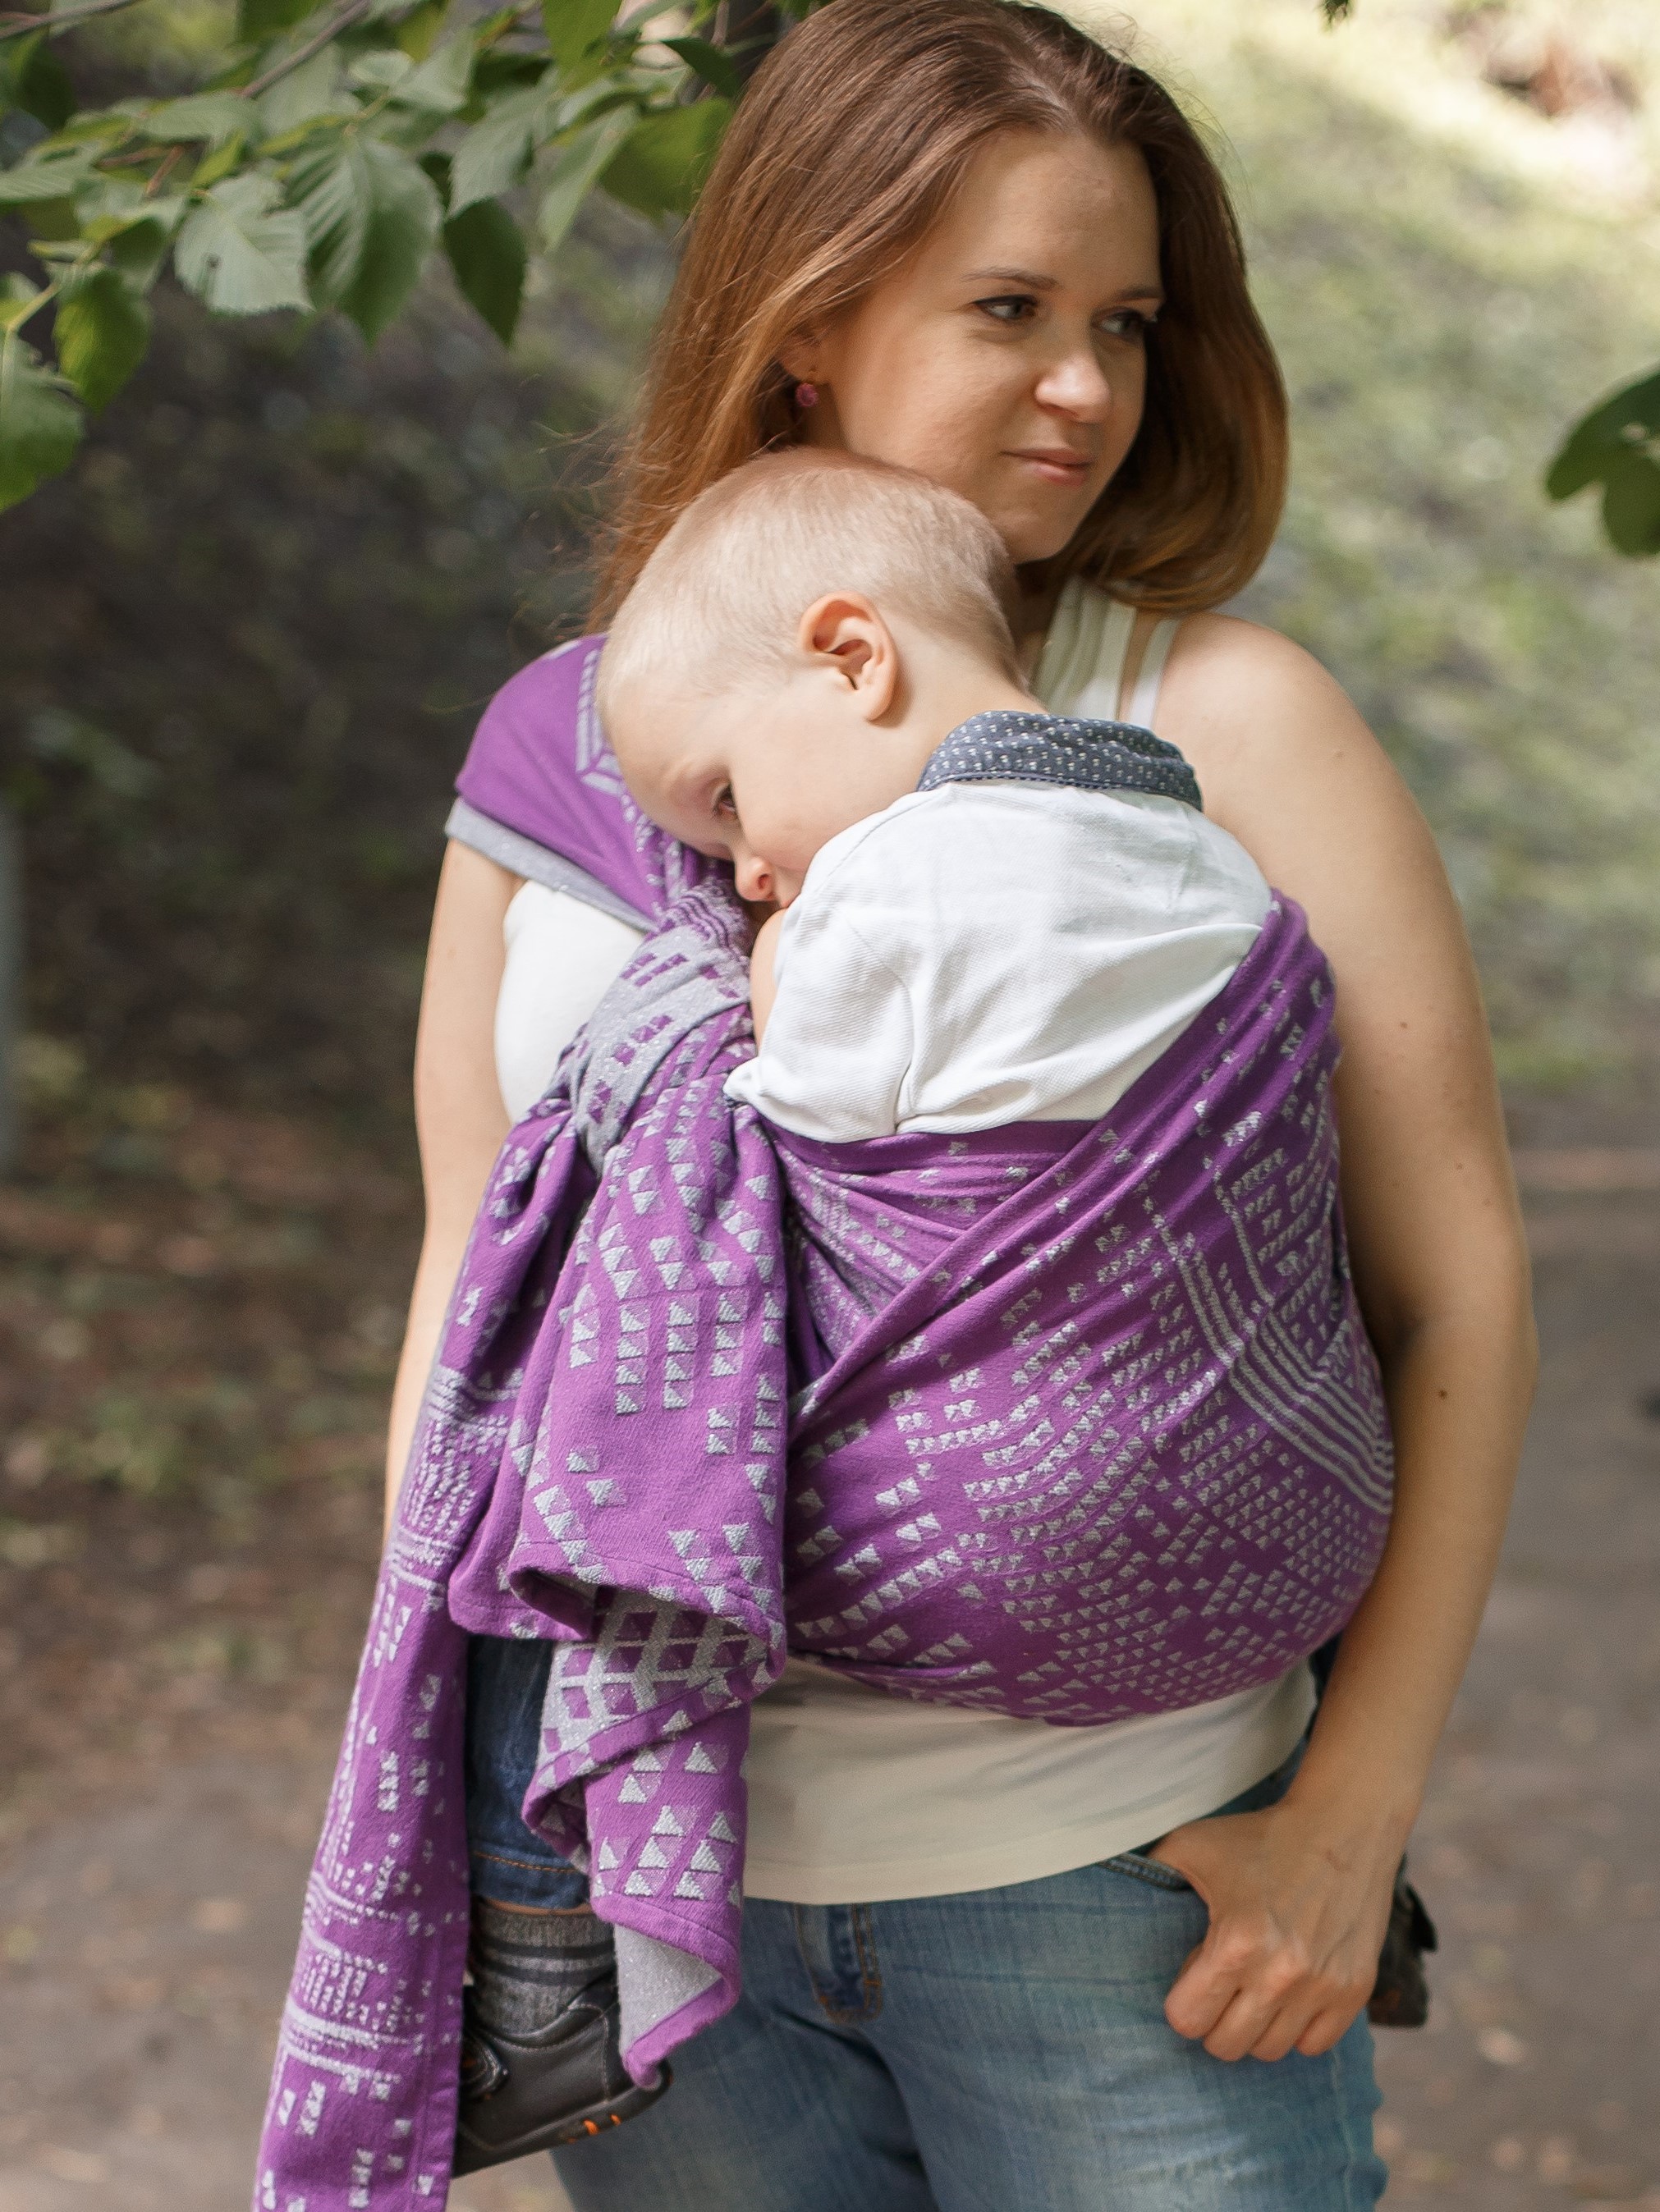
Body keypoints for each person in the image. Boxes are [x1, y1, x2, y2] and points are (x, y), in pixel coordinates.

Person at [387, 3, 1536, 2205]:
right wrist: (443, 1823)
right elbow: (468, 1303)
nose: (1091, 385)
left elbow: (1461, 1293)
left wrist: (1351, 1818)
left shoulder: (1218, 725)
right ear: (810, 319)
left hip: (1109, 1888)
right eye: (1010, 310)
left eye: (1127, 321)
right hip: (656, 1894)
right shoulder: (568, 749)